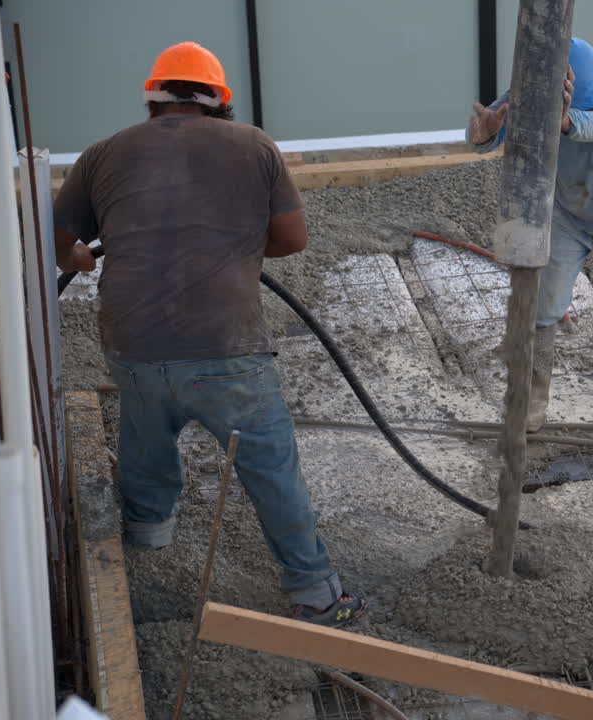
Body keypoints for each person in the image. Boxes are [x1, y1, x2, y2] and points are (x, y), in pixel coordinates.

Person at [53, 41, 362, 627]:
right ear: (220, 101)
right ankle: (317, 596)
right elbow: (293, 239)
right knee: (270, 469)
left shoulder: (102, 154)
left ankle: (149, 540)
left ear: (152, 101)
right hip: (226, 345)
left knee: (146, 441)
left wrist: (79, 257)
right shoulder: (253, 145)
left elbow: (55, 239)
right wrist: (239, 245)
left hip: (133, 341)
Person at [466, 37, 593, 431]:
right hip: (568, 216)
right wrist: (484, 135)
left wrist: (568, 121)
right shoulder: (538, 90)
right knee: (544, 307)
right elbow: (488, 128)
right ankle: (532, 401)